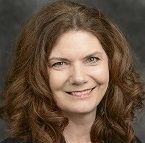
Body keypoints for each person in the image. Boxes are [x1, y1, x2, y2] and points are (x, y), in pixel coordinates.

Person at [0, 0, 144, 143]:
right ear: (35, 74)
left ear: (113, 64)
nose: (79, 78)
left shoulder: (127, 140)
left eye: (92, 59)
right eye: (60, 63)